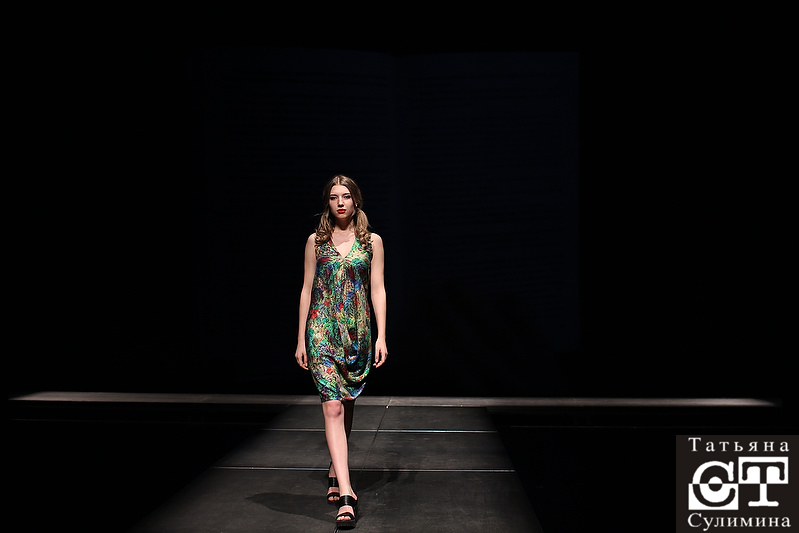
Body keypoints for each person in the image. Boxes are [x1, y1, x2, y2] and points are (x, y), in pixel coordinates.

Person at [295, 174, 388, 528]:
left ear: (355, 200)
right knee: (332, 405)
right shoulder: (316, 242)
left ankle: (337, 468)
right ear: (328, 203)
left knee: (346, 401)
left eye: (345, 196)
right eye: (334, 197)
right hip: (321, 330)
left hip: (356, 332)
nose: (340, 203)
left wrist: (381, 336)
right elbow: (306, 289)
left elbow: (377, 289)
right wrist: (301, 339)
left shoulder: (372, 242)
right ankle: (347, 494)